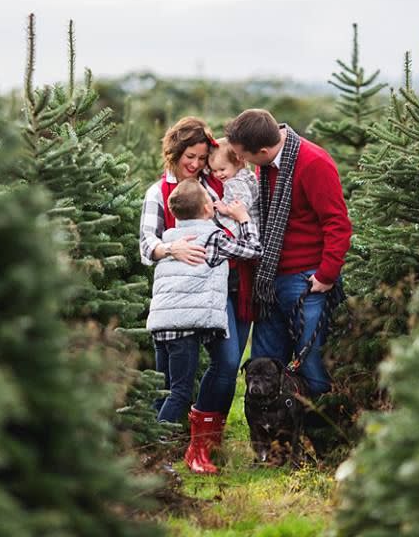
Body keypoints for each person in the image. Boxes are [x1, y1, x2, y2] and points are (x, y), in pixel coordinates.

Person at [138, 116, 254, 472]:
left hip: (226, 289)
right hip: (185, 300)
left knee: (227, 363)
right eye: (190, 156)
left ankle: (202, 448)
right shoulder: (159, 192)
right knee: (174, 386)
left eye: (202, 158)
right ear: (174, 152)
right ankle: (165, 451)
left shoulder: (214, 183)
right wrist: (171, 250)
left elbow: (236, 220)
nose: (196, 164)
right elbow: (146, 246)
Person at [224, 108, 352, 397]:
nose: (240, 161)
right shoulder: (266, 165)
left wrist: (327, 275)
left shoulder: (314, 163)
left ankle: (321, 434)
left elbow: (337, 223)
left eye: (244, 155)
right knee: (266, 365)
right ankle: (275, 439)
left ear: (264, 150)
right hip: (269, 282)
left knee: (313, 367)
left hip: (307, 281)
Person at [207, 138, 260, 325]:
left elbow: (241, 207)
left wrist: (223, 209)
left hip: (242, 229)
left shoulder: (234, 183)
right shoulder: (248, 175)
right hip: (254, 227)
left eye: (222, 170)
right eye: (213, 170)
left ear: (238, 161)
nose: (218, 174)